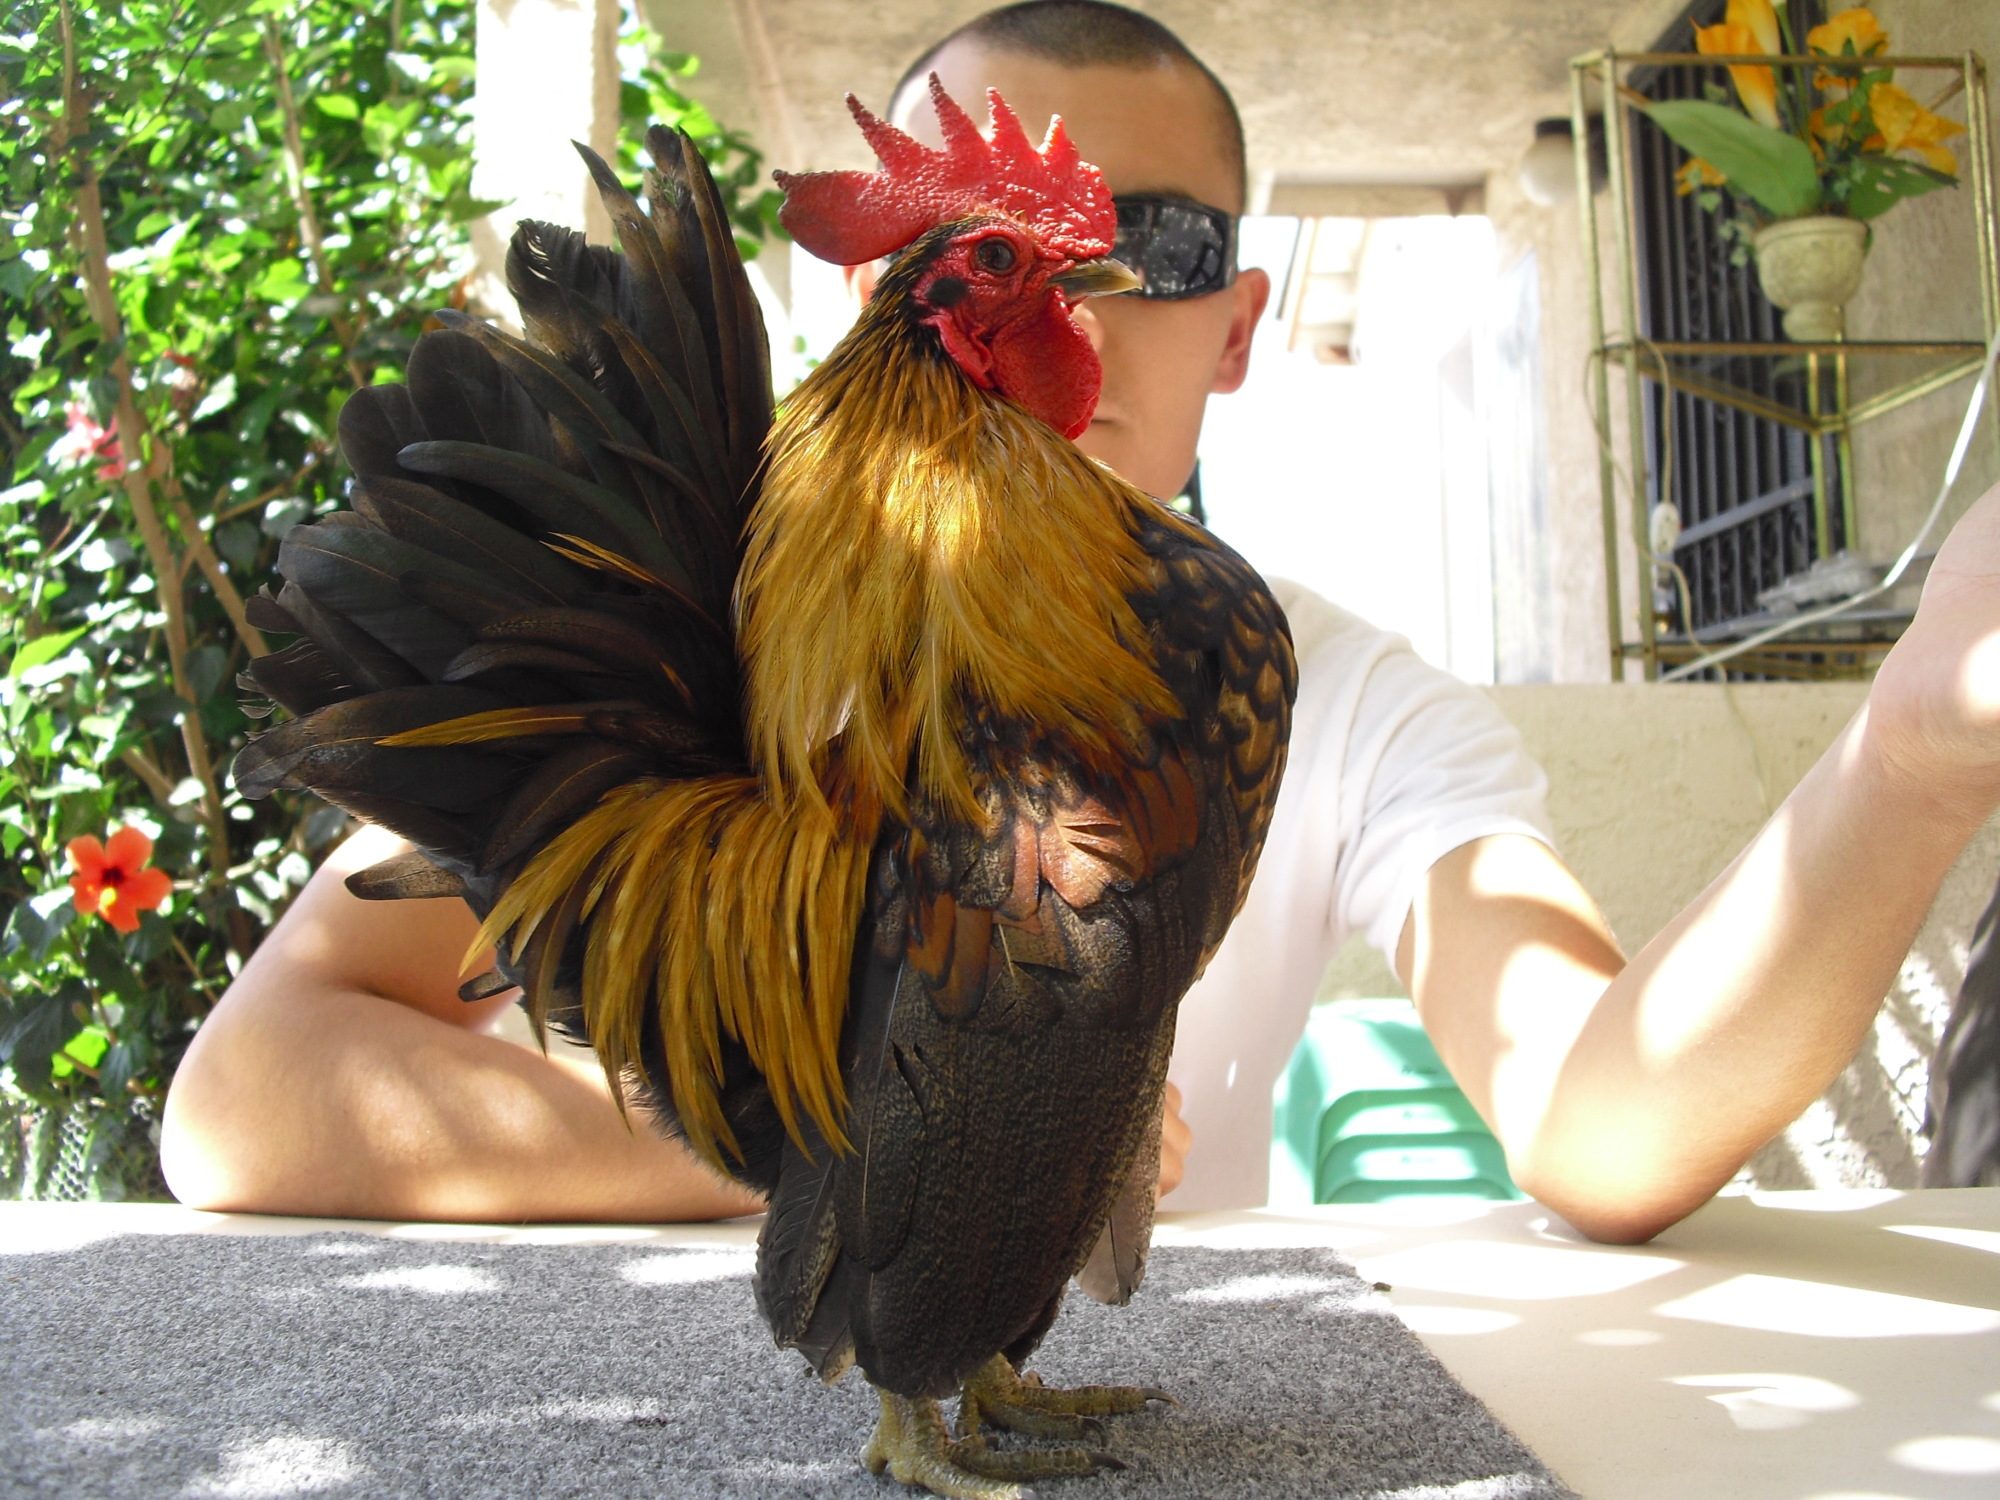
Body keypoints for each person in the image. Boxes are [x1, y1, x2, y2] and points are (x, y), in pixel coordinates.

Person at [160, 0, 2000, 1244]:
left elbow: (1595, 1113)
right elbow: (243, 1097)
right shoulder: (686, 638)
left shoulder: (1339, 697)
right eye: (986, 251)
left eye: (1157, 248)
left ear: (1243, 323)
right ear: (886, 304)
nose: (1081, 311)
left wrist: (1915, 749)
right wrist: (837, 1142)